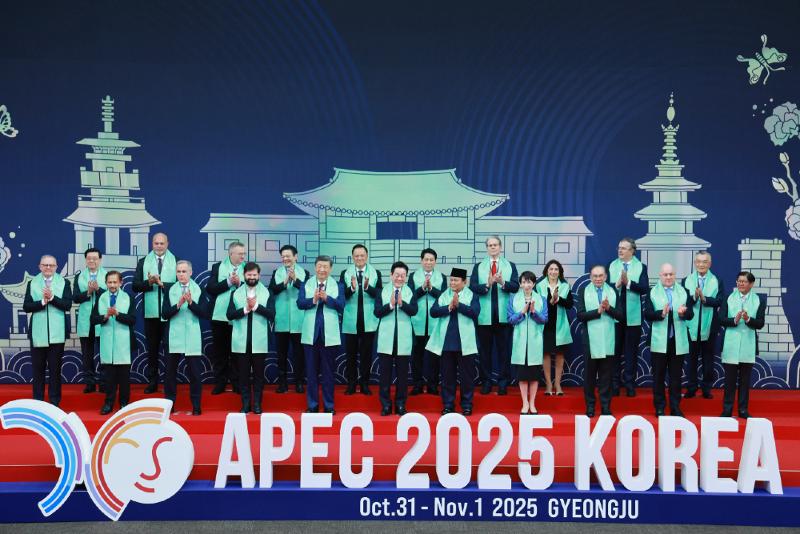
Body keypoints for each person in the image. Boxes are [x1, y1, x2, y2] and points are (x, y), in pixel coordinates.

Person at [427, 268, 481, 416]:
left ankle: (467, 405)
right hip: (446, 343)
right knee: (447, 377)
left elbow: (475, 313)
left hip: (466, 344)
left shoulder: (472, 296)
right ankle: (448, 405)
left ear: (465, 282)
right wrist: (449, 307)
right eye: (451, 280)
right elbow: (433, 312)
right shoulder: (444, 295)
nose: (452, 282)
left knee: (467, 377)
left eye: (456, 280)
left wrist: (459, 306)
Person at [470, 235, 519, 396]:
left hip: (504, 317)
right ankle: (486, 382)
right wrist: (488, 284)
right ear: (487, 248)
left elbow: (515, 287)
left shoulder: (510, 265)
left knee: (504, 352)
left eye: (495, 245)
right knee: (485, 352)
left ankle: (503, 383)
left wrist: (502, 282)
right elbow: (472, 288)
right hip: (484, 316)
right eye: (490, 245)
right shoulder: (478, 267)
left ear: (500, 247)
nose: (493, 247)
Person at [644, 263, 694, 417]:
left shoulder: (684, 292)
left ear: (675, 275)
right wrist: (661, 313)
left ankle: (675, 407)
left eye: (671, 274)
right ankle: (659, 407)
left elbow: (691, 314)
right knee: (658, 376)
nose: (668, 277)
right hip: (659, 340)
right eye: (665, 274)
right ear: (660, 275)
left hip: (677, 340)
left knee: (676, 377)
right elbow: (647, 314)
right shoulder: (652, 292)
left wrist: (683, 314)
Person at [298, 255, 345, 414]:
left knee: (328, 374)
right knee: (311, 373)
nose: (322, 269)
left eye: (325, 267)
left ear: (330, 269)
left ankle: (329, 406)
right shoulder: (306, 284)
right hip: (310, 335)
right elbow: (300, 304)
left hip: (329, 336)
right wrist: (313, 299)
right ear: (315, 267)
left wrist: (327, 299)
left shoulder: (338, 285)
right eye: (319, 266)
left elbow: (341, 305)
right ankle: (312, 406)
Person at [23, 255, 72, 407]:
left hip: (57, 334)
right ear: (39, 266)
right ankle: (38, 402)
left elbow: (67, 305)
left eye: (51, 265)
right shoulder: (32, 283)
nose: (48, 268)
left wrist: (52, 298)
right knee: (38, 370)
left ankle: (54, 402)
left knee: (55, 370)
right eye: (45, 265)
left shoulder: (64, 282)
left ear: (56, 267)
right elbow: (26, 306)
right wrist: (43, 302)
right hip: (38, 334)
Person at [133, 232, 178, 394]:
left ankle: (169, 381)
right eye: (156, 243)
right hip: (150, 315)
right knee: (152, 350)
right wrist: (149, 282)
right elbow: (135, 286)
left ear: (167, 244)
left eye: (162, 243)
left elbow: (182, 284)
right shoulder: (143, 262)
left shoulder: (177, 261)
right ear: (152, 244)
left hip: (170, 314)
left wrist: (161, 284)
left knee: (170, 350)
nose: (159, 246)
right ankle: (152, 382)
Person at [227, 262, 275, 414]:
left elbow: (272, 314)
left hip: (260, 341)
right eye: (249, 275)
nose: (252, 277)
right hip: (241, 341)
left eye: (255, 275)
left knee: (259, 376)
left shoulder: (268, 292)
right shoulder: (235, 293)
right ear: (244, 275)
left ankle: (258, 405)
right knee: (243, 376)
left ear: (259, 275)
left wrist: (256, 307)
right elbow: (229, 315)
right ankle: (246, 404)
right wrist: (245, 309)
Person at [162, 260, 208, 416]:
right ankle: (169, 406)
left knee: (195, 374)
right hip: (173, 336)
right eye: (178, 272)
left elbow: (204, 313)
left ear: (191, 272)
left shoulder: (199, 289)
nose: (181, 274)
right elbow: (164, 314)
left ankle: (196, 405)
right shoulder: (169, 289)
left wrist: (190, 302)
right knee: (170, 374)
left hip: (192, 336)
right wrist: (178, 304)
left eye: (184, 271)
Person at [576, 265, 622, 417]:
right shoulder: (584, 291)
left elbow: (621, 316)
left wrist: (608, 308)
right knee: (589, 376)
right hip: (590, 340)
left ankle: (605, 407)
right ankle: (590, 406)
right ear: (590, 277)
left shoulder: (612, 291)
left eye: (600, 275)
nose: (598, 278)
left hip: (608, 339)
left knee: (606, 376)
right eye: (595, 276)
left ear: (606, 277)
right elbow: (580, 315)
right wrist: (597, 312)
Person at [719, 271, 766, 419]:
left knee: (745, 382)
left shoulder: (759, 300)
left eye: (744, 282)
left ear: (751, 284)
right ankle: (727, 409)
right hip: (731, 344)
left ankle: (743, 410)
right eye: (739, 281)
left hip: (748, 345)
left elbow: (760, 324)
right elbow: (721, 320)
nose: (740, 284)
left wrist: (747, 319)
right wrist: (734, 319)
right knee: (729, 381)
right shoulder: (728, 298)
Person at [374, 261, 418, 416]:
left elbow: (414, 310)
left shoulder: (410, 291)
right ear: (391, 275)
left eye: (403, 275)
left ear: (406, 277)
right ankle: (385, 405)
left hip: (404, 339)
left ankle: (400, 404)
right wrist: (391, 305)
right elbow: (377, 312)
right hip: (386, 338)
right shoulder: (382, 291)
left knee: (402, 376)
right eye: (397, 275)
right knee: (385, 375)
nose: (400, 278)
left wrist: (402, 304)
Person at [609, 237, 649, 397]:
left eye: (624, 248)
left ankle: (630, 384)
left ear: (632, 251)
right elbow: (605, 288)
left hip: (633, 317)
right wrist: (617, 284)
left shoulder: (641, 267)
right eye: (619, 247)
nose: (620, 250)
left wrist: (629, 283)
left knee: (631, 352)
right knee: (615, 351)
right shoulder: (611, 266)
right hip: (614, 315)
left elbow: (645, 288)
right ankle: (614, 384)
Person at [91, 271, 135, 415]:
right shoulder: (101, 298)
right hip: (107, 342)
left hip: (123, 343)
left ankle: (124, 404)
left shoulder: (128, 297)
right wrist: (105, 316)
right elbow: (93, 319)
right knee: (109, 378)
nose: (112, 285)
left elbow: (132, 320)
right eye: (110, 282)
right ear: (106, 283)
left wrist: (118, 315)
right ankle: (108, 403)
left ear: (121, 283)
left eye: (115, 282)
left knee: (123, 378)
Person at [341, 244, 382, 395]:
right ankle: (351, 384)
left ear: (367, 256)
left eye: (362, 255)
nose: (359, 258)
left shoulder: (375, 273)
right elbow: (341, 296)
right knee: (350, 355)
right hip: (351, 319)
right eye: (356, 256)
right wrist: (351, 289)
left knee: (366, 355)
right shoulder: (345, 273)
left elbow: (380, 295)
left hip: (369, 320)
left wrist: (367, 288)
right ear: (352, 257)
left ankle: (365, 383)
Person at [206, 241, 246, 395]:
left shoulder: (248, 268)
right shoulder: (218, 267)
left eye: (244, 253)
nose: (243, 256)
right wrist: (229, 282)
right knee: (220, 352)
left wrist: (240, 283)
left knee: (236, 351)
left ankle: (236, 383)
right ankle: (220, 382)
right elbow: (211, 289)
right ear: (231, 254)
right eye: (240, 253)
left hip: (238, 316)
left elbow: (252, 287)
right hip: (219, 316)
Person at [682, 251, 724, 399]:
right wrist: (694, 297)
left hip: (710, 325)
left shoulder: (717, 280)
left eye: (705, 262)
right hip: (691, 325)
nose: (701, 264)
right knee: (691, 359)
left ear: (710, 264)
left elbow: (720, 301)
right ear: (695, 263)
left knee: (708, 358)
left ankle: (707, 388)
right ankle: (691, 387)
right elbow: (685, 302)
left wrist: (705, 299)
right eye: (699, 261)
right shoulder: (686, 280)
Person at [268, 244, 307, 393]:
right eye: (283, 256)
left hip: (299, 320)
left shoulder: (305, 272)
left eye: (288, 256)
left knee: (299, 354)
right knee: (281, 354)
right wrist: (284, 282)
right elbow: (271, 291)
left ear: (295, 256)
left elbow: (307, 290)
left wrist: (295, 280)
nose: (285, 259)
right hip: (281, 320)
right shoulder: (276, 273)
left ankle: (298, 382)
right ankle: (282, 383)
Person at [508, 271, 548, 415]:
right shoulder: (513, 298)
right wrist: (522, 312)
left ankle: (532, 403)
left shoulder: (541, 299)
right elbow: (510, 319)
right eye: (524, 282)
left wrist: (533, 312)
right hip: (520, 342)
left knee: (534, 376)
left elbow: (544, 319)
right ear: (520, 284)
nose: (526, 285)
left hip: (535, 341)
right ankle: (525, 402)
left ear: (534, 284)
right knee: (523, 376)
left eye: (529, 282)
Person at [407, 248, 446, 395]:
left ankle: (433, 385)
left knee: (434, 356)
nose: (428, 262)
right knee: (417, 356)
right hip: (417, 321)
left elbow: (444, 298)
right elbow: (409, 297)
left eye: (431, 260)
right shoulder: (412, 276)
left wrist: (432, 289)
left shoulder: (442, 277)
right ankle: (417, 384)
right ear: (421, 260)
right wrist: (423, 288)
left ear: (435, 261)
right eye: (426, 259)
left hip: (435, 323)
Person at [536, 259, 574, 396]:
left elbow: (570, 304)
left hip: (560, 326)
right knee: (545, 354)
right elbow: (537, 303)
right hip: (545, 325)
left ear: (560, 272)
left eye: (556, 269)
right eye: (551, 269)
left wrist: (558, 299)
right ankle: (548, 383)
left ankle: (557, 383)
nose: (553, 272)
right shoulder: (539, 286)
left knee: (559, 355)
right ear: (546, 271)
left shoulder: (564, 286)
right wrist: (549, 301)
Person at [73, 247, 106, 393]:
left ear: (100, 259)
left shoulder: (108, 275)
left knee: (104, 352)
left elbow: (113, 294)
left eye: (95, 258)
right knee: (87, 354)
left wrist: (98, 290)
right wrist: (88, 292)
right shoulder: (79, 277)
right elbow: (75, 298)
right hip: (86, 320)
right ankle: (89, 382)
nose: (91, 261)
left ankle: (104, 383)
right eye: (89, 258)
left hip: (102, 319)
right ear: (85, 260)